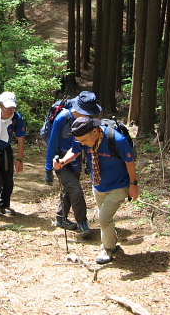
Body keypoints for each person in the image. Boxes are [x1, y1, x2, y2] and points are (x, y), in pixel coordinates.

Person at [54, 116, 139, 264]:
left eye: (85, 141)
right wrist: (62, 161)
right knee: (106, 218)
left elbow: (129, 162)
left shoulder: (117, 140)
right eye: (81, 141)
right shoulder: (82, 137)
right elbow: (75, 151)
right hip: (98, 184)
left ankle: (106, 249)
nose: (83, 144)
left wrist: (133, 185)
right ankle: (111, 241)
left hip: (118, 185)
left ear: (95, 131)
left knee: (103, 218)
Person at [44, 91, 102, 237]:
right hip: (60, 160)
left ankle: (61, 218)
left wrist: (90, 163)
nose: (89, 115)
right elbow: (52, 143)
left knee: (69, 189)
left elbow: (90, 143)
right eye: (87, 112)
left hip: (76, 159)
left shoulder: (88, 120)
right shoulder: (62, 118)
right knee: (75, 189)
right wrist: (48, 168)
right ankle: (82, 222)